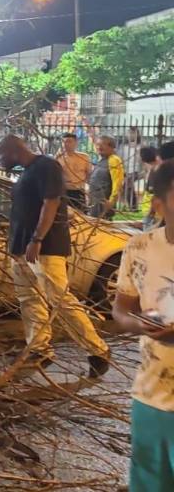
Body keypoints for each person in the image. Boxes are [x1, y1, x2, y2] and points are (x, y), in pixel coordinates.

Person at [0, 135, 111, 377]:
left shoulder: (47, 166)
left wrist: (37, 239)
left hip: (44, 248)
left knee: (59, 299)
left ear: (14, 150)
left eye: (1, 154)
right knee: (30, 300)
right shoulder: (26, 173)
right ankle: (39, 349)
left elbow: (51, 204)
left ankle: (98, 350)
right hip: (21, 248)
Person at [111, 160, 174, 491]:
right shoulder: (139, 248)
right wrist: (139, 325)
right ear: (159, 204)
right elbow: (120, 312)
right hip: (151, 398)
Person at [87, 135, 125, 219]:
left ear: (112, 146)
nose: (99, 147)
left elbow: (117, 182)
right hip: (96, 201)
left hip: (105, 202)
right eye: (97, 144)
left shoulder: (114, 160)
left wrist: (112, 201)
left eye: (103, 144)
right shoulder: (103, 160)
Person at [56, 132, 93, 211]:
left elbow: (89, 174)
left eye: (69, 141)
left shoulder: (84, 157)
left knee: (80, 215)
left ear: (76, 143)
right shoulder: (58, 158)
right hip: (64, 191)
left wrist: (86, 188)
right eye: (63, 141)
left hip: (78, 191)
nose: (66, 144)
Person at [122, 126, 144, 210]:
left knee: (128, 185)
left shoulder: (140, 146)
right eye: (130, 133)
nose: (131, 135)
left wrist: (136, 150)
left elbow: (141, 161)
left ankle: (133, 207)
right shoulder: (123, 146)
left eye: (134, 133)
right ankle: (131, 206)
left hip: (135, 170)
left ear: (137, 134)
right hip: (125, 170)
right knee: (126, 187)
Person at [140, 147, 161, 230]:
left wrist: (151, 212)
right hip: (153, 212)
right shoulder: (155, 170)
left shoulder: (155, 171)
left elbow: (155, 194)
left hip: (153, 213)